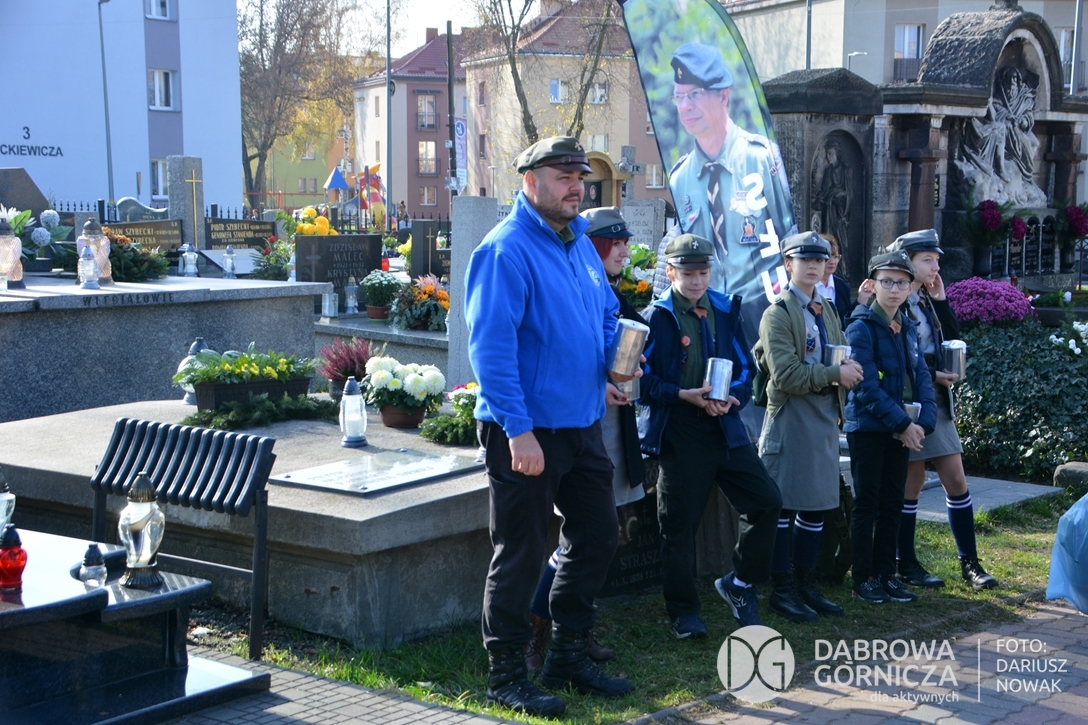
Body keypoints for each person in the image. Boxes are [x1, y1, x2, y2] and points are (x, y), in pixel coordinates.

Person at [464, 136, 633, 718]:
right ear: (530, 181)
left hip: (581, 423)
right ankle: (507, 675)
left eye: (579, 177)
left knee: (598, 535)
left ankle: (566, 656)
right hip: (526, 431)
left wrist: (611, 360)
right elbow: (491, 351)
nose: (575, 187)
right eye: (563, 177)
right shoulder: (504, 250)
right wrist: (517, 430)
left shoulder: (579, 242)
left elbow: (605, 312)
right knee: (522, 551)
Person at [523, 206, 647, 672]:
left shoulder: (608, 290)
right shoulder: (562, 272)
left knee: (596, 537)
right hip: (569, 423)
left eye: (626, 243)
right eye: (614, 243)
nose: (624, 252)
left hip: (601, 421)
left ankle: (572, 631)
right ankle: (539, 630)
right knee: (575, 539)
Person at [640, 233, 781, 638]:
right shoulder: (656, 317)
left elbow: (744, 367)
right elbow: (640, 380)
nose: (697, 281)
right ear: (671, 273)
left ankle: (739, 583)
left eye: (702, 273)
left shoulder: (723, 308)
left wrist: (730, 398)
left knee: (766, 500)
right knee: (679, 524)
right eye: (688, 274)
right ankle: (684, 612)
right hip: (680, 426)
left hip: (723, 423)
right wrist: (681, 395)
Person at [755, 232, 863, 622]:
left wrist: (848, 368)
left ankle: (806, 583)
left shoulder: (827, 308)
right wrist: (835, 374)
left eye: (820, 259)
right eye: (805, 260)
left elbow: (837, 351)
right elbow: (785, 375)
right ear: (788, 264)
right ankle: (782, 589)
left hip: (822, 417)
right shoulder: (778, 313)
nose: (814, 266)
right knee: (784, 506)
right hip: (790, 418)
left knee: (816, 506)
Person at [885, 229, 999, 591]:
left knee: (956, 478)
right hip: (910, 398)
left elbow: (952, 338)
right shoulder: (895, 299)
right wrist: (932, 373)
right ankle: (905, 561)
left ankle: (970, 564)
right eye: (927, 260)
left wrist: (942, 300)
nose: (935, 267)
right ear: (907, 262)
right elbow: (894, 355)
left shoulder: (925, 298)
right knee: (913, 481)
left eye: (936, 260)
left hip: (936, 397)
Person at [667, 42, 796, 314]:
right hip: (706, 312)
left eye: (694, 94)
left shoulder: (761, 158)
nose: (685, 106)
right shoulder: (680, 178)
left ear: (724, 97)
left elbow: (789, 239)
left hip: (763, 309)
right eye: (679, 97)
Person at [844, 251, 937, 604]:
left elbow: (921, 376)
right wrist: (902, 423)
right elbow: (865, 386)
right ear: (872, 285)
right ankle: (863, 577)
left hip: (902, 429)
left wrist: (922, 424)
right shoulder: (861, 327)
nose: (894, 289)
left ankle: (886, 573)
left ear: (911, 287)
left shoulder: (908, 326)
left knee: (892, 502)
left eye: (901, 283)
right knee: (867, 502)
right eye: (887, 282)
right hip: (869, 428)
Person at [814, 233, 853, 326]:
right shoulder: (806, 284)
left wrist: (862, 299)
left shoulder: (842, 287)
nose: (832, 262)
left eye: (836, 257)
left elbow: (848, 319)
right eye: (828, 257)